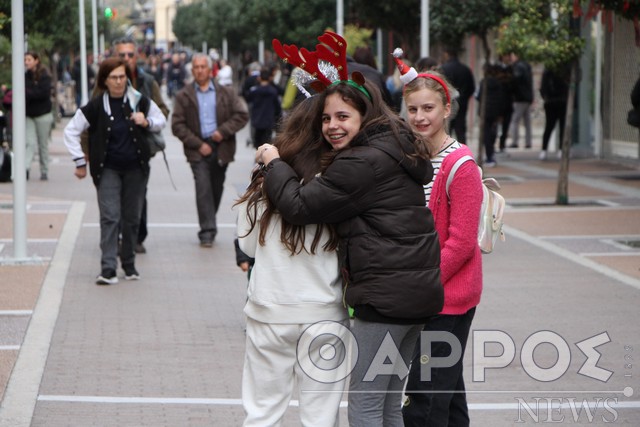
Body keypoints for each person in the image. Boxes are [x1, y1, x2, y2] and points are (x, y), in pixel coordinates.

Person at [258, 32, 443, 425]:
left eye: (343, 117)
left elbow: (297, 206)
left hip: (386, 298)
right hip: (416, 293)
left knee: (366, 404)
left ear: (365, 117)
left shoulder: (361, 162)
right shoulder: (395, 146)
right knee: (390, 403)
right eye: (326, 118)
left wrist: (274, 162)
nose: (331, 127)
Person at [236, 97, 348, 426]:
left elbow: (247, 246)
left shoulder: (264, 183)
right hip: (324, 311)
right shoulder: (342, 182)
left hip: (270, 308)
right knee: (320, 417)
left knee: (262, 412)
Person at [396, 58, 484, 427]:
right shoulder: (414, 158)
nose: (419, 117)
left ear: (447, 109)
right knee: (448, 396)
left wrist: (423, 284)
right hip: (430, 295)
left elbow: (462, 243)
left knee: (425, 400)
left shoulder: (461, 166)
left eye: (428, 108)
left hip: (448, 301)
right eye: (412, 109)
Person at [63, 57, 167, 284]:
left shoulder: (139, 101)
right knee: (110, 217)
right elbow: (70, 130)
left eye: (122, 77)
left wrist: (146, 121)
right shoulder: (97, 105)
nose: (119, 82)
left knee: (131, 219)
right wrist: (80, 161)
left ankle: (128, 265)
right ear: (105, 80)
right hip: (107, 168)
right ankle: (108, 268)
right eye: (114, 77)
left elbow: (161, 120)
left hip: (136, 169)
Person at [171, 53, 249, 247]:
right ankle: (207, 231)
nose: (199, 70)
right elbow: (177, 125)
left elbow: (241, 115)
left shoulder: (226, 93)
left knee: (215, 187)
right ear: (192, 70)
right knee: (203, 188)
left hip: (221, 147)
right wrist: (198, 144)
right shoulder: (184, 95)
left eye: (202, 67)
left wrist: (222, 132)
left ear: (209, 69)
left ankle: (208, 219)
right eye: (195, 67)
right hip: (197, 149)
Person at [114, 37, 170, 255]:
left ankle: (137, 237)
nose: (126, 59)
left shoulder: (147, 81)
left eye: (130, 55)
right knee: (114, 195)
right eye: (122, 55)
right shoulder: (106, 80)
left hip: (140, 149)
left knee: (137, 194)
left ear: (136, 57)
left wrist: (146, 119)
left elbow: (164, 110)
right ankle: (118, 235)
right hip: (113, 149)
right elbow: (92, 115)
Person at [25, 51, 54, 181]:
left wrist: (30, 93)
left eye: (29, 59)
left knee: (43, 144)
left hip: (43, 114)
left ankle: (44, 170)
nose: (26, 62)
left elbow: (42, 93)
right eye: (25, 60)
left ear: (36, 60)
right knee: (29, 143)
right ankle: (25, 168)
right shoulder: (24, 75)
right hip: (29, 115)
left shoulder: (44, 75)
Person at [476, 63, 508, 167]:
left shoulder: (483, 82)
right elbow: (501, 99)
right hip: (495, 112)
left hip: (485, 111)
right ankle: (491, 154)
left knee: (486, 134)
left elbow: (479, 96)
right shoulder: (498, 83)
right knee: (492, 132)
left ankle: (489, 155)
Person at [440, 48, 475, 144]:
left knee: (446, 131)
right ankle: (463, 154)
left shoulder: (443, 69)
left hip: (447, 103)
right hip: (462, 104)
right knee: (461, 131)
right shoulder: (465, 69)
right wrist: (463, 99)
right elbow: (471, 88)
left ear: (447, 54)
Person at [539, 64, 570, 160]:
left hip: (556, 102)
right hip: (554, 102)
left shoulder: (553, 70)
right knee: (551, 127)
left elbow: (542, 87)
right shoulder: (553, 71)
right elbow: (543, 87)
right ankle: (546, 150)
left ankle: (549, 150)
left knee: (553, 127)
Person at [246, 69, 281, 149]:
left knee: (257, 143)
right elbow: (277, 107)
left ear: (260, 78)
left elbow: (248, 98)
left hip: (257, 119)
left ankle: (258, 158)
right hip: (268, 120)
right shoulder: (273, 91)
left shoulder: (254, 91)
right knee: (267, 143)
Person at [508, 51, 534, 149]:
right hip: (527, 97)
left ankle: (515, 141)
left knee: (515, 120)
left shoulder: (517, 67)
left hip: (520, 98)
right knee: (527, 122)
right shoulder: (527, 66)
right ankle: (528, 142)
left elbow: (515, 81)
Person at [496, 53, 514, 152]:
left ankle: (502, 145)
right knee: (495, 126)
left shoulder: (511, 69)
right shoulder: (497, 68)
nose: (508, 57)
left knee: (506, 125)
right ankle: (493, 146)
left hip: (508, 102)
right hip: (498, 103)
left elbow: (514, 83)